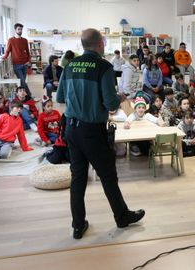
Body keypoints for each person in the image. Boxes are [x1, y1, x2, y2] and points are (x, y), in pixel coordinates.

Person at [56, 28, 144, 239]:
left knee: (78, 177)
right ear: (100, 44)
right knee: (107, 175)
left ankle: (78, 225)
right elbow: (111, 103)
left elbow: (60, 97)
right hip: (92, 131)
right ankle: (121, 217)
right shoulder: (103, 67)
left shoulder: (68, 67)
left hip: (71, 128)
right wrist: (120, 96)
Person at [3, 23, 32, 97]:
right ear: (15, 30)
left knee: (23, 82)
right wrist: (4, 57)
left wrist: (29, 61)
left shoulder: (25, 40)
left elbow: (28, 52)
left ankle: (22, 96)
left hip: (25, 64)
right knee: (22, 81)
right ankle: (29, 95)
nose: (20, 31)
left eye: (21, 29)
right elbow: (7, 51)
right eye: (18, 29)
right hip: (16, 65)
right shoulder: (11, 40)